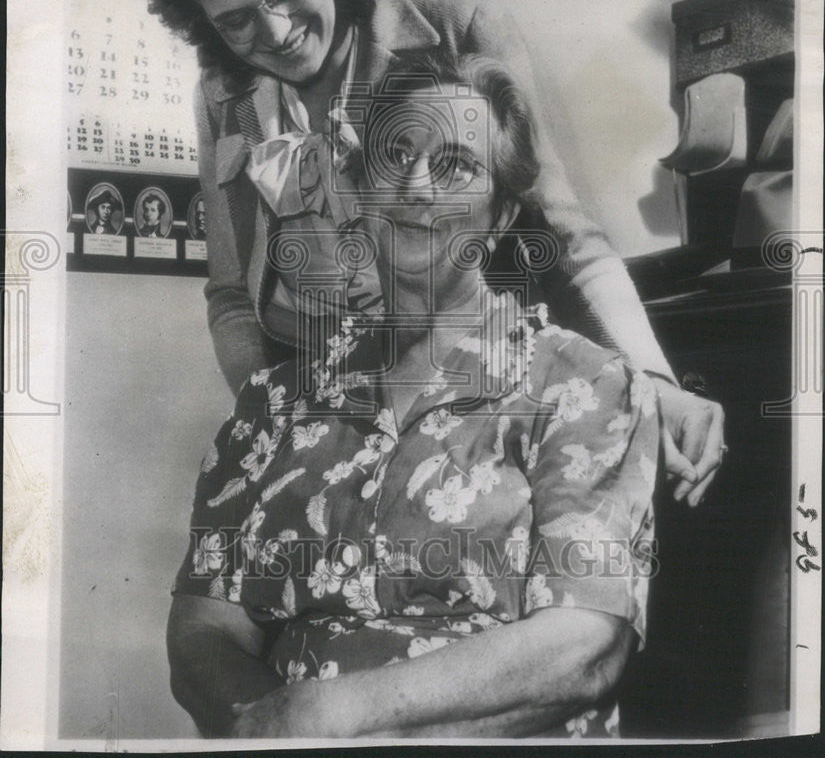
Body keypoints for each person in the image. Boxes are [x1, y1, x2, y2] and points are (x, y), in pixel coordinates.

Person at [144, 0, 723, 506]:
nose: (273, 31)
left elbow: (568, 239)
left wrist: (654, 380)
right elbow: (233, 299)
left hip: (484, 408)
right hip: (328, 427)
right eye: (236, 21)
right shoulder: (222, 101)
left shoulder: (462, 31)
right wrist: (272, 430)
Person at [167, 59, 659, 738]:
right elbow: (202, 630)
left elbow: (585, 645)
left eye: (454, 165)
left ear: (499, 216)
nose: (415, 186)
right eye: (395, 155)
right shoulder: (271, 403)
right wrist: (268, 730)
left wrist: (341, 715)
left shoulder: (581, 385)